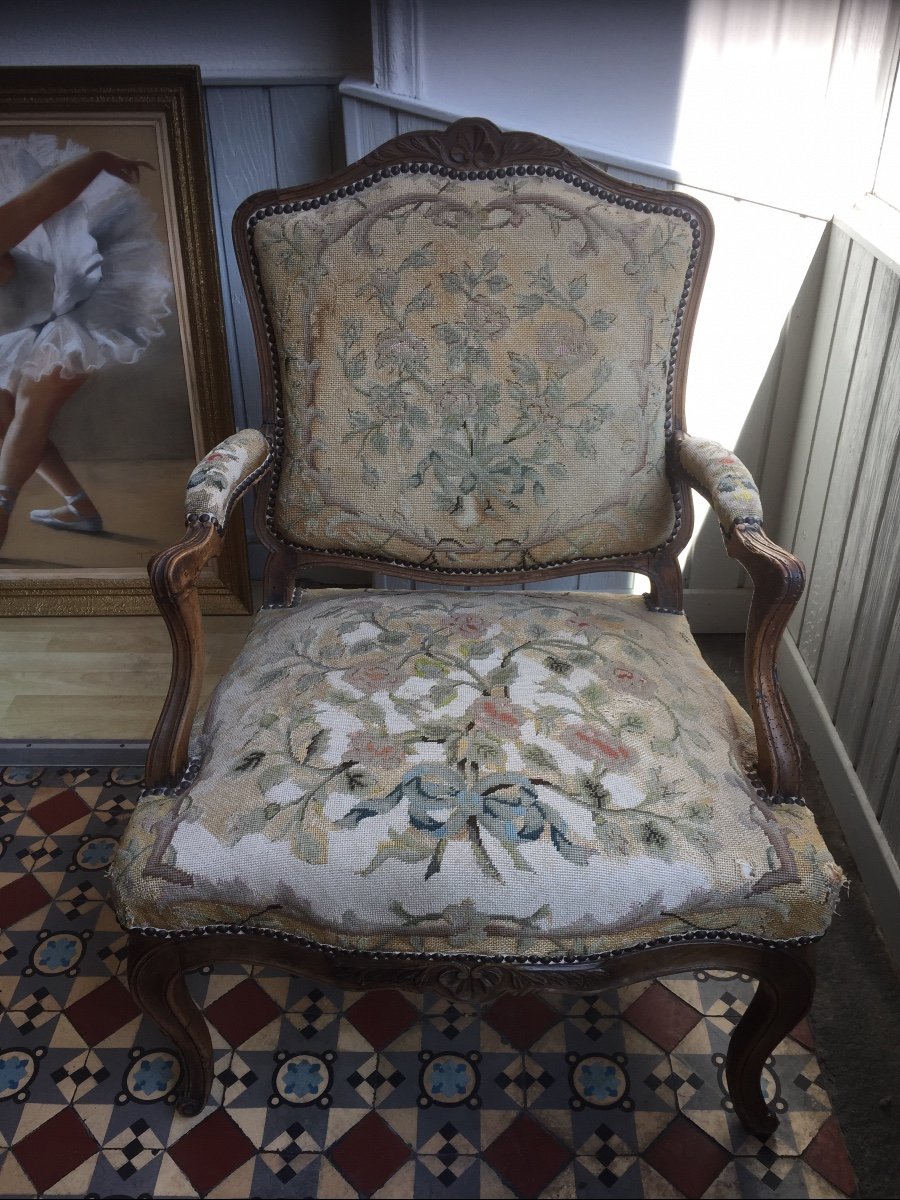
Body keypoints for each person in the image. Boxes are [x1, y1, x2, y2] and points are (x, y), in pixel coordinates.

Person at [0, 134, 173, 551]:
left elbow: (48, 196)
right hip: (23, 323)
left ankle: (1, 508)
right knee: (3, 416)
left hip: (86, 294)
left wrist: (99, 158)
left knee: (32, 406)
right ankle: (81, 509)